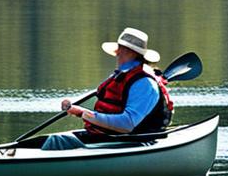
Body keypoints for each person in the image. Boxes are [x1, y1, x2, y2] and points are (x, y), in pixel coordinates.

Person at [40, 27, 173, 151]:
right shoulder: (121, 76)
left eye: (125, 50)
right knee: (41, 142)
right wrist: (73, 106)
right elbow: (104, 101)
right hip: (110, 137)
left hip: (135, 142)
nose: (118, 54)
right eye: (120, 49)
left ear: (135, 54)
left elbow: (127, 124)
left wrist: (83, 113)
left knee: (56, 141)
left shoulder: (145, 84)